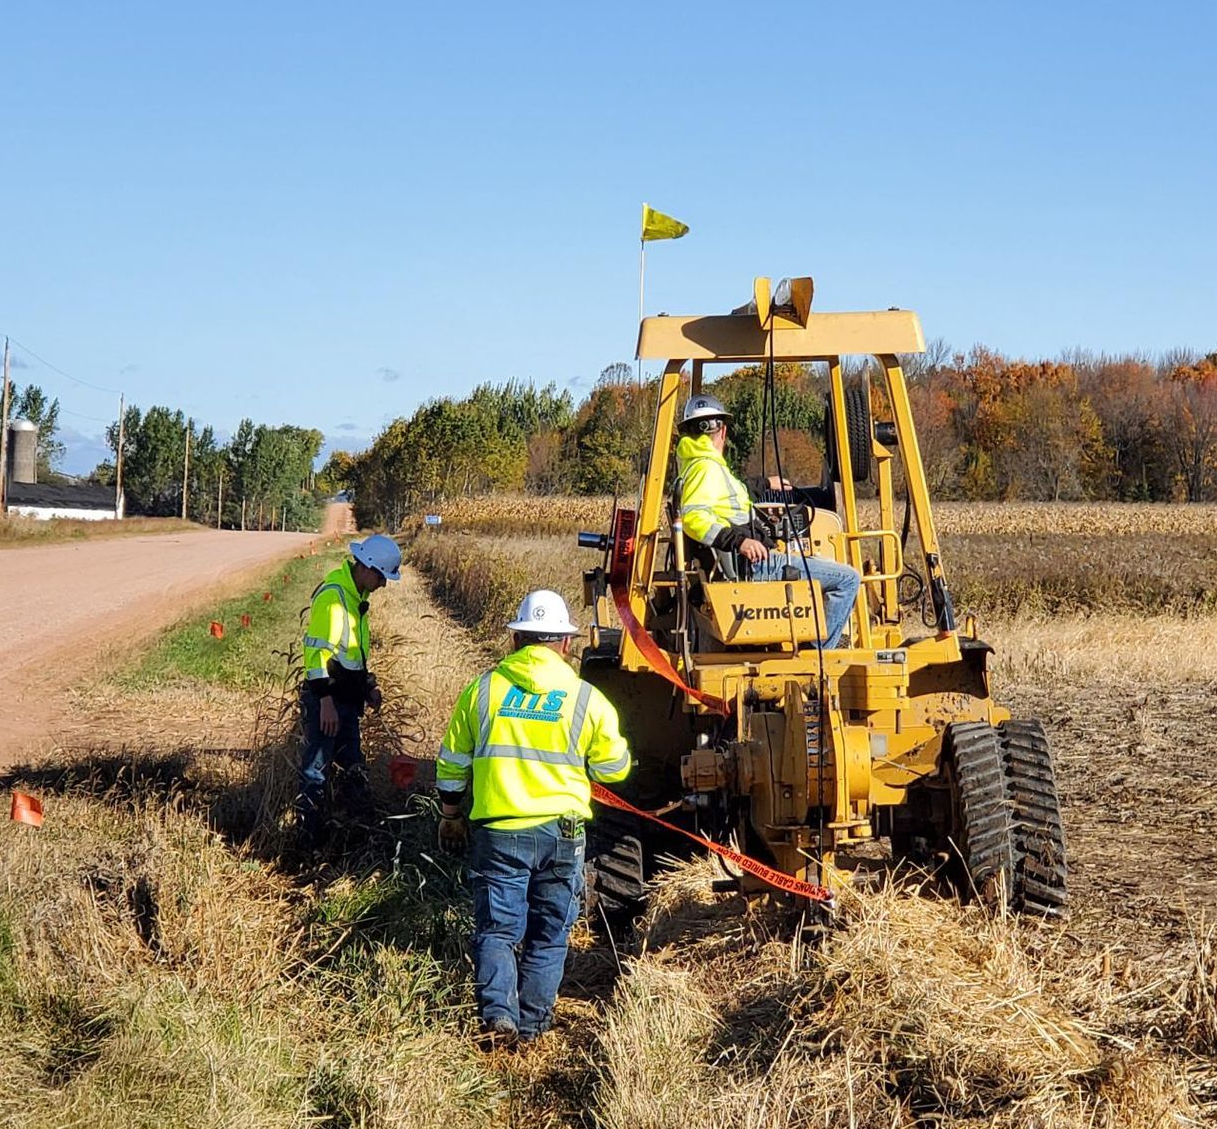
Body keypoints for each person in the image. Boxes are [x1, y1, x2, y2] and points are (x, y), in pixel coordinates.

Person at [435, 589, 632, 1046]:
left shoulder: (482, 691)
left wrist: (450, 815)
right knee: (549, 933)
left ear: (516, 638)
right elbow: (614, 769)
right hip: (563, 834)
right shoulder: (587, 698)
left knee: (498, 930)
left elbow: (451, 763)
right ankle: (533, 1026)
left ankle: (499, 1016)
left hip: (499, 832)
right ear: (564, 643)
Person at [673, 393, 863, 649]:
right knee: (848, 578)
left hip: (744, 562)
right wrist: (740, 541)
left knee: (822, 565)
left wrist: (766, 484)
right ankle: (818, 655)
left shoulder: (698, 463)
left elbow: (733, 495)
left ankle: (812, 641)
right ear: (724, 431)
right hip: (755, 566)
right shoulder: (706, 467)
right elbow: (694, 518)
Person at [297, 534, 402, 842]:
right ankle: (307, 838)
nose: (384, 584)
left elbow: (352, 655)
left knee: (353, 766)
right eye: (382, 576)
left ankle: (355, 831)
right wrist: (325, 701)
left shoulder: (355, 598)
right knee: (315, 771)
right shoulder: (335, 598)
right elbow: (317, 656)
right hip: (326, 701)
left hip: (346, 699)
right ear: (367, 567)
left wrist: (368, 687)